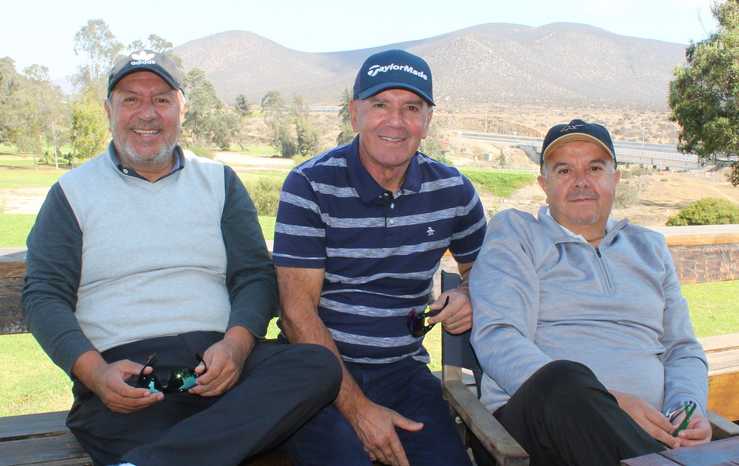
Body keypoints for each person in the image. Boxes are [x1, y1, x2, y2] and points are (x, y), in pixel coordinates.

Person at [22, 50, 341, 466]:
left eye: (161, 99)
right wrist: (95, 374)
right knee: (180, 433)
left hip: (221, 366)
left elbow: (254, 276)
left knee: (317, 366)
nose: (146, 114)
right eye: (130, 99)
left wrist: (236, 347)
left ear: (182, 109)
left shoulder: (219, 182)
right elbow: (44, 295)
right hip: (128, 377)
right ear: (109, 110)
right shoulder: (71, 193)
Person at [272, 49, 486, 466]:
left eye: (411, 108)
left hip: (403, 371)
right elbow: (297, 314)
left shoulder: (453, 191)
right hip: (319, 373)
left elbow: (482, 267)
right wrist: (360, 411)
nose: (395, 121)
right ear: (354, 114)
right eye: (380, 105)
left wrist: (469, 295)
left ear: (427, 121)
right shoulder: (310, 185)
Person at [469, 119, 711, 466]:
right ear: (544, 184)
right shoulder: (516, 235)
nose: (581, 181)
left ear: (616, 178)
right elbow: (498, 336)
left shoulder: (649, 248)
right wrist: (607, 402)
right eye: (564, 170)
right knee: (563, 378)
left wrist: (685, 410)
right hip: (535, 429)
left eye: (595, 168)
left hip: (651, 433)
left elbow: (683, 348)